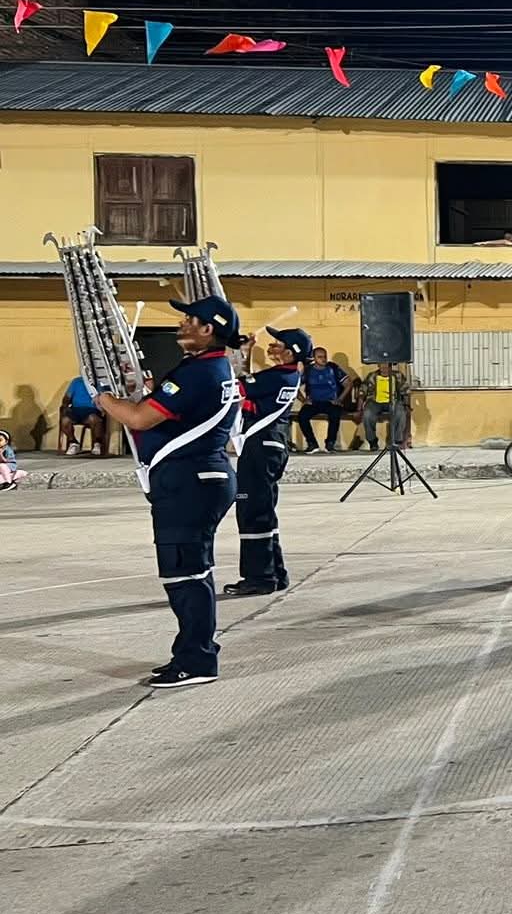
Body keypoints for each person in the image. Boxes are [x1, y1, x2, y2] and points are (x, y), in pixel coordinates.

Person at [89, 294, 243, 688]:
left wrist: (103, 398)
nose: (182, 324)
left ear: (208, 329)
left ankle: (197, 661)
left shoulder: (199, 373)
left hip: (190, 481)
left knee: (184, 574)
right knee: (193, 572)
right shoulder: (209, 367)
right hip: (200, 478)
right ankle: (194, 653)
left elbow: (139, 418)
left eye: (190, 320)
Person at [224, 328, 309, 597]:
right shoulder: (287, 375)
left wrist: (235, 353)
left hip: (261, 446)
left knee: (252, 511)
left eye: (277, 345)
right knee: (264, 510)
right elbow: (250, 383)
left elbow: (236, 386)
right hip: (271, 445)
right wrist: (247, 353)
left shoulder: (278, 375)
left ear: (290, 352)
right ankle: (275, 573)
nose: (271, 348)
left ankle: (259, 577)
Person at [296, 347, 353, 452]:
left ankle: (330, 443)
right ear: (314, 358)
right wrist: (303, 400)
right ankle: (312, 444)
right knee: (302, 416)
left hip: (330, 402)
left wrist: (340, 399)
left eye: (325, 357)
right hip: (314, 402)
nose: (323, 359)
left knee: (335, 414)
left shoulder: (333, 368)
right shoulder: (308, 370)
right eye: (320, 357)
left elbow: (348, 384)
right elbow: (294, 385)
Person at [360, 362, 410, 450]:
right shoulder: (372, 376)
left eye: (387, 367)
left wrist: (406, 405)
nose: (384, 370)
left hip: (393, 401)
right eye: (382, 367)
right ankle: (372, 441)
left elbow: (406, 391)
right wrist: (359, 408)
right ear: (378, 366)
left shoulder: (398, 376)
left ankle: (397, 441)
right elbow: (362, 392)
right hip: (375, 402)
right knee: (367, 414)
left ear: (391, 367)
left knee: (400, 412)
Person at [59, 374, 110, 457]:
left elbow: (105, 396)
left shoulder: (99, 382)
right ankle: (73, 443)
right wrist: (65, 406)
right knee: (65, 420)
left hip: (92, 410)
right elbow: (67, 397)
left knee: (94, 419)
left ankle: (97, 444)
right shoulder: (76, 381)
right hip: (76, 410)